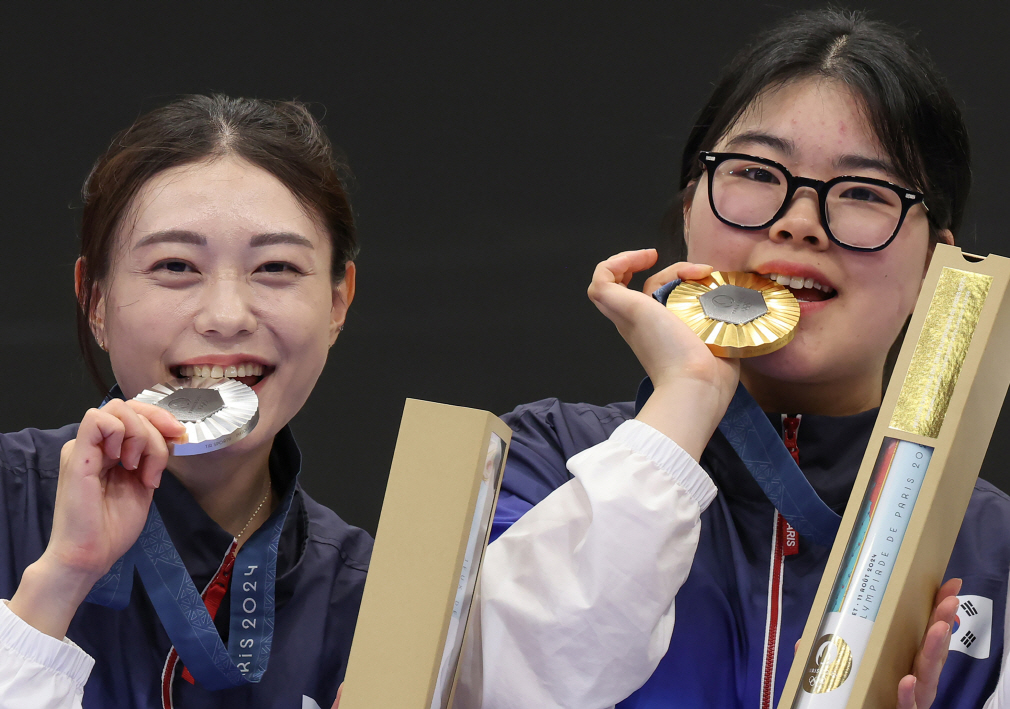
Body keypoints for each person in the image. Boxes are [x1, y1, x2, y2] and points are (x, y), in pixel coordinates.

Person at [474, 8, 1010, 709]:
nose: (798, 221)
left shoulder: (991, 550)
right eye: (757, 171)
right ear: (691, 204)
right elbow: (492, 684)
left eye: (862, 192)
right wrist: (688, 397)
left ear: (939, 263)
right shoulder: (541, 459)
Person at [0, 95, 366, 709]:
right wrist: (58, 581)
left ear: (337, 304)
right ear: (95, 301)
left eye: (275, 267)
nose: (226, 317)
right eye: (175, 265)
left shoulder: (368, 600)